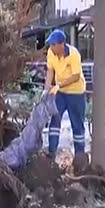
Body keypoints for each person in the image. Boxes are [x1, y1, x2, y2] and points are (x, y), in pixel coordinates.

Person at [43, 29, 86, 158]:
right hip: (60, 93)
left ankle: (79, 156)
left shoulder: (74, 54)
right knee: (54, 120)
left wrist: (58, 85)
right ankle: (51, 153)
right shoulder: (51, 53)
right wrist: (46, 89)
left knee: (77, 125)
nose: (51, 47)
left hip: (76, 94)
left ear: (61, 44)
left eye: (53, 44)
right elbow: (50, 71)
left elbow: (76, 76)